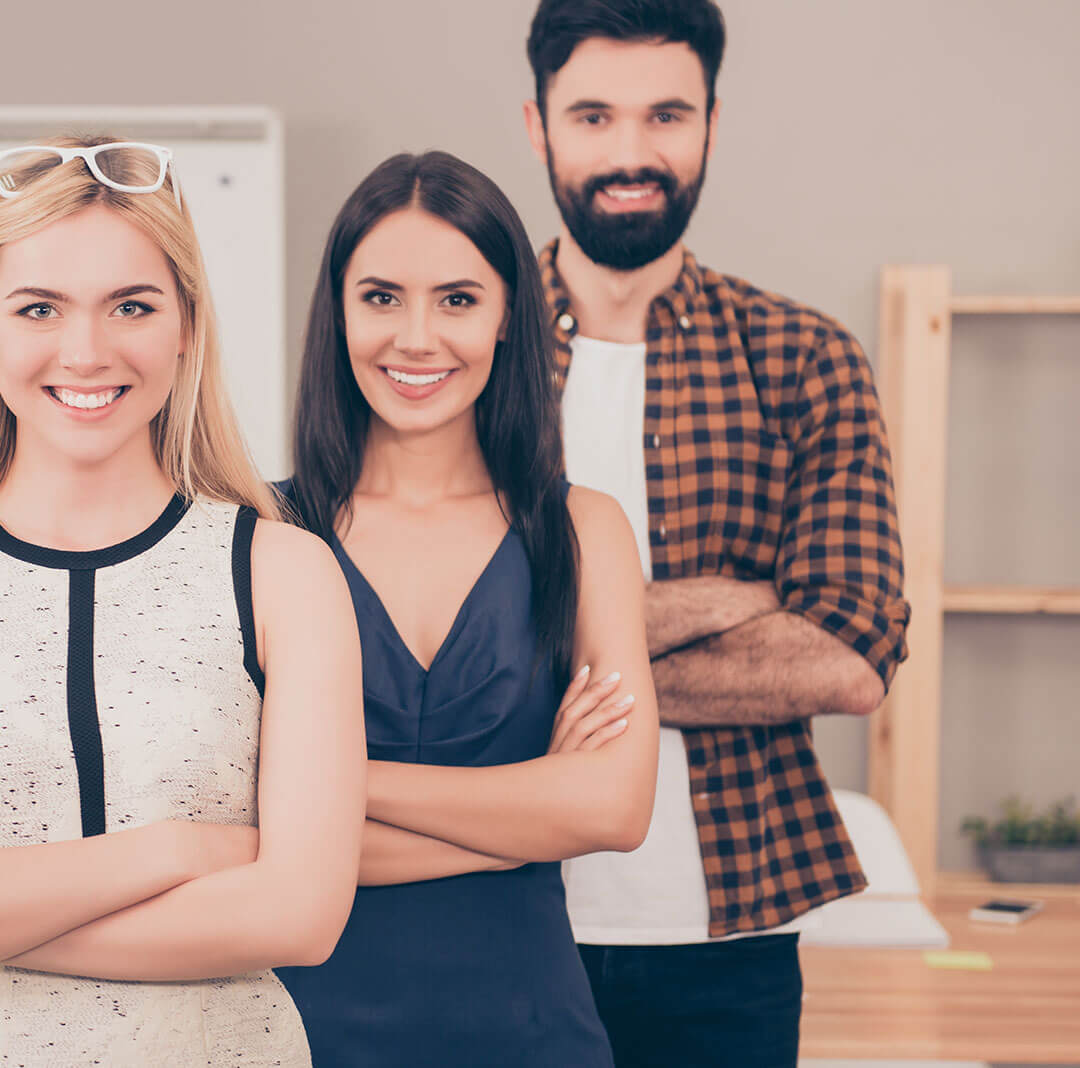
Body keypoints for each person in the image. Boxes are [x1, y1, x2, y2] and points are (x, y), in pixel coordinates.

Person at [0, 136, 365, 1065]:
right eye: (39, 308)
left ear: (186, 322)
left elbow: (301, 917)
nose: (87, 350)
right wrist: (180, 851)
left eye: (131, 306)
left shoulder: (285, 572)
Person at [522, 2, 911, 1064]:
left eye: (665, 116)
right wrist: (738, 600)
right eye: (593, 116)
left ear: (709, 125)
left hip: (730, 938)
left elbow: (846, 660)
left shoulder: (801, 358)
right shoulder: (464, 350)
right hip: (497, 915)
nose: (630, 153)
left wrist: (544, 650)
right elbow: (414, 639)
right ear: (536, 125)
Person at [271, 150, 657, 1066]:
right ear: (338, 313)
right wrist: (525, 820)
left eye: (456, 299)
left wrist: (322, 791)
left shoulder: (583, 528)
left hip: (531, 1034)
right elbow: (231, 833)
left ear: (506, 316)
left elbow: (614, 807)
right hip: (298, 1036)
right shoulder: (256, 529)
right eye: (380, 298)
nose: (415, 337)